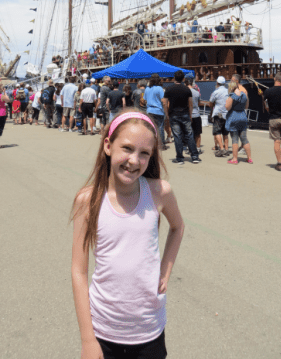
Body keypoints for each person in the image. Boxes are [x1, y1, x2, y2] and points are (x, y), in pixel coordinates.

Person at [71, 109, 185, 359]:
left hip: (149, 329)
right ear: (108, 145)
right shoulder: (88, 200)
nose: (134, 160)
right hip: (103, 329)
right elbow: (78, 271)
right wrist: (87, 339)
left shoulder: (159, 192)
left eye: (144, 153)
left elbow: (178, 227)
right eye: (127, 148)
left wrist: (166, 269)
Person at [164, 70, 200, 165]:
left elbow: (164, 102)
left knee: (177, 136)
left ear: (174, 78)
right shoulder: (187, 89)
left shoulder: (169, 89)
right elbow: (190, 103)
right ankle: (194, 156)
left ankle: (179, 158)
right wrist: (190, 114)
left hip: (173, 114)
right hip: (185, 113)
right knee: (189, 134)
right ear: (183, 79)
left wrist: (166, 113)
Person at [263, 72, 281, 171]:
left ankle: (279, 163)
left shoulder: (268, 92)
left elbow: (266, 106)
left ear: (274, 79)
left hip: (273, 118)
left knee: (277, 141)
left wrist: (269, 110)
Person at [225, 81, 253, 164]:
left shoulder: (232, 95)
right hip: (242, 116)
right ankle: (249, 158)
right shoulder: (244, 95)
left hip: (234, 117)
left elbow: (227, 107)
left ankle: (234, 159)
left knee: (235, 139)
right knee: (244, 138)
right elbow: (246, 106)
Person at [144, 73, 167, 147]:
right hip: (158, 110)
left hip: (149, 110)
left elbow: (144, 100)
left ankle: (151, 143)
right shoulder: (159, 89)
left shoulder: (147, 88)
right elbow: (163, 101)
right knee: (160, 127)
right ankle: (161, 144)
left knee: (151, 128)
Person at [209, 76, 230, 157]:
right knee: (225, 133)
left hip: (218, 114)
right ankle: (227, 149)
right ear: (224, 83)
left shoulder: (215, 92)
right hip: (226, 114)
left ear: (217, 83)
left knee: (217, 131)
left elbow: (210, 103)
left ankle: (221, 149)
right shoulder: (228, 91)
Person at [185, 76, 203, 154]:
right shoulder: (196, 92)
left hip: (188, 115)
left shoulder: (184, 92)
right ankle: (198, 148)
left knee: (189, 133)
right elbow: (199, 103)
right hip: (196, 114)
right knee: (197, 133)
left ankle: (190, 148)